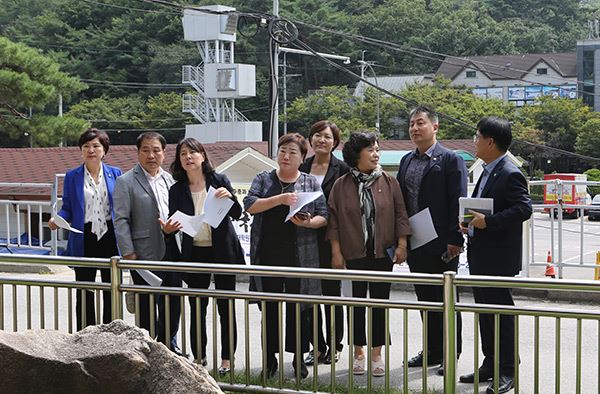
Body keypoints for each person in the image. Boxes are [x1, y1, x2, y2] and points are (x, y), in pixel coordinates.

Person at [244, 133, 328, 379]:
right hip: (268, 255)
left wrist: (308, 224)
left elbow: (324, 214)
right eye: (282, 151)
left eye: (293, 152)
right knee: (269, 310)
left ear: (303, 158)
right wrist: (280, 199)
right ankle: (269, 359)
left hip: (299, 256)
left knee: (298, 311)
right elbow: (249, 204)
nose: (286, 156)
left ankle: (298, 358)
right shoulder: (263, 178)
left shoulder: (310, 182)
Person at [328, 131, 411, 377]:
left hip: (381, 254)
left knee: (379, 303)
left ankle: (376, 353)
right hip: (353, 252)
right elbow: (333, 220)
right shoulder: (340, 185)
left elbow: (400, 214)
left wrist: (402, 245)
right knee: (356, 304)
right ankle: (358, 352)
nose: (376, 154)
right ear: (356, 155)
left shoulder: (388, 181)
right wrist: (336, 252)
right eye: (371, 150)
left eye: (377, 149)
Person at [458, 117, 532, 394]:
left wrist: (489, 222)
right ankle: (490, 364)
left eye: (477, 136)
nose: (474, 141)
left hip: (498, 259)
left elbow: (524, 209)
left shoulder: (510, 172)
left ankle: (507, 370)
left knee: (501, 313)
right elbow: (483, 209)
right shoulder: (488, 171)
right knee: (485, 313)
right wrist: (469, 223)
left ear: (490, 141)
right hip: (481, 256)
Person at [163, 137, 244, 374]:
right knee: (197, 306)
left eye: (193, 152)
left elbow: (238, 213)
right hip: (194, 252)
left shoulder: (219, 180)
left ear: (203, 156)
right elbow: (173, 222)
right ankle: (199, 358)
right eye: (183, 154)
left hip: (222, 252)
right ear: (179, 160)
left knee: (225, 307)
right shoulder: (176, 189)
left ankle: (227, 360)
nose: (188, 157)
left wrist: (228, 197)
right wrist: (167, 230)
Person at [396, 106, 467, 375]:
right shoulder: (406, 160)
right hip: (416, 240)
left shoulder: (450, 159)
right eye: (412, 123)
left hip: (443, 241)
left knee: (447, 299)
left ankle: (451, 353)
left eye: (421, 123)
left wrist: (455, 238)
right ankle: (432, 350)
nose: (415, 128)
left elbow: (457, 201)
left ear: (435, 127)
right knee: (425, 298)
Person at [113, 132, 181, 351]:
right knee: (146, 305)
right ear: (138, 152)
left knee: (173, 301)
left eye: (156, 150)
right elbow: (121, 219)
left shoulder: (171, 180)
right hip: (143, 252)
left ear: (164, 153)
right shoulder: (126, 181)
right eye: (146, 150)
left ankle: (168, 345)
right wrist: (128, 252)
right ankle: (146, 347)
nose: (151, 155)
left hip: (172, 249)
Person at [49, 128, 122, 330]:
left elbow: (122, 207)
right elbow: (68, 209)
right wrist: (57, 219)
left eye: (96, 146)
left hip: (110, 236)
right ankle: (85, 332)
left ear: (104, 150)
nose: (91, 150)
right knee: (84, 289)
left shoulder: (115, 173)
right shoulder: (72, 176)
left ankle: (112, 332)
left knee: (111, 288)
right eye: (86, 146)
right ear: (81, 150)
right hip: (84, 236)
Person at [299, 120, 350, 366]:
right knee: (309, 296)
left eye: (327, 137)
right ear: (310, 140)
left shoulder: (342, 169)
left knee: (331, 295)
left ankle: (335, 345)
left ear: (335, 142)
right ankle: (316, 346)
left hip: (332, 238)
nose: (322, 140)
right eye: (317, 135)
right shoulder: (302, 166)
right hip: (304, 238)